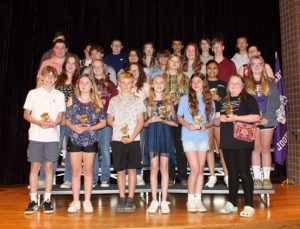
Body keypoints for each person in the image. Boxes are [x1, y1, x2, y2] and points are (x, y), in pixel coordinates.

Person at [216, 75, 260, 217]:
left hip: (242, 141)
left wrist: (236, 118)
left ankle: (249, 205)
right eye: (231, 82)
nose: (234, 84)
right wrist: (219, 119)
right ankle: (232, 203)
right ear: (228, 85)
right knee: (232, 174)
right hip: (228, 141)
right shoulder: (224, 101)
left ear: (242, 85)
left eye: (237, 82)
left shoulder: (248, 99)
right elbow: (216, 121)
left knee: (244, 172)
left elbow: (256, 117)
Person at [23, 66, 65, 214]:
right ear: (41, 77)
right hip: (35, 136)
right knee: (34, 167)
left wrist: (55, 122)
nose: (49, 78)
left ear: (55, 78)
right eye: (46, 76)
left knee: (49, 168)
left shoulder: (59, 95)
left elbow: (60, 116)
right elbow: (26, 114)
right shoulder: (32, 93)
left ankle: (47, 200)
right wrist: (38, 122)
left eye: (52, 76)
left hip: (52, 137)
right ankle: (33, 200)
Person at [38, 54, 80, 189]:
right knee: (53, 149)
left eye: (74, 63)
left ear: (77, 65)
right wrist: (58, 117)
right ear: (65, 64)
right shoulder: (57, 81)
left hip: (73, 121)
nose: (70, 65)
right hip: (58, 120)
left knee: (71, 150)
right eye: (68, 62)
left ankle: (68, 179)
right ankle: (43, 178)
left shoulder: (79, 81)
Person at [65, 74, 106, 213]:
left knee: (88, 172)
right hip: (75, 138)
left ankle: (87, 201)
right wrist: (74, 127)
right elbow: (67, 120)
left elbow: (103, 122)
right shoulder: (72, 100)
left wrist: (90, 128)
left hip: (91, 139)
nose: (83, 85)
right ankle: (76, 201)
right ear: (78, 85)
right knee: (76, 172)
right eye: (81, 82)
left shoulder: (97, 101)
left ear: (91, 85)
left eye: (87, 82)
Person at [107, 72, 146, 213]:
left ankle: (130, 198)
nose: (126, 86)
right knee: (120, 171)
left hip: (133, 139)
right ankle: (122, 197)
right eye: (123, 82)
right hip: (118, 139)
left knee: (132, 170)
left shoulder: (137, 100)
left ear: (133, 84)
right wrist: (117, 125)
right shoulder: (113, 100)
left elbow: (140, 122)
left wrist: (131, 136)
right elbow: (109, 120)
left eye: (129, 83)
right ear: (119, 83)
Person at [177, 73, 215, 213]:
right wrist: (187, 125)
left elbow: (212, 120)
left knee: (200, 170)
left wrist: (206, 125)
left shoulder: (209, 100)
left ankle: (198, 199)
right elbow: (179, 117)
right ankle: (190, 199)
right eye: (193, 82)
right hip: (188, 137)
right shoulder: (185, 98)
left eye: (198, 81)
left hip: (203, 137)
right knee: (195, 169)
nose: (195, 84)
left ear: (204, 83)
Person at [144, 75, 178, 214]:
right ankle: (153, 200)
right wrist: (151, 120)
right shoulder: (147, 102)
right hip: (152, 135)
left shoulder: (168, 102)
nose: (158, 85)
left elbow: (175, 123)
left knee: (164, 169)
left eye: (161, 83)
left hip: (165, 135)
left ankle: (164, 200)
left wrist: (164, 120)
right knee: (153, 168)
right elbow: (143, 123)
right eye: (156, 82)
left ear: (165, 85)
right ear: (152, 84)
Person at [246, 55, 280, 189]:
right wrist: (253, 117)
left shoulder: (271, 82)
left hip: (268, 119)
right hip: (252, 121)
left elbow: (276, 102)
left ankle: (266, 178)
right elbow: (243, 101)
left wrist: (265, 116)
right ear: (250, 67)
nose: (257, 66)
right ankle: (257, 178)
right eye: (254, 64)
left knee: (265, 149)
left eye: (259, 63)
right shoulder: (245, 83)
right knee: (255, 149)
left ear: (263, 65)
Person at [90, 59, 118, 187]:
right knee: (94, 151)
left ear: (103, 68)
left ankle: (105, 178)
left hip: (106, 122)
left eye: (99, 66)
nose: (97, 69)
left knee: (105, 150)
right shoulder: (88, 83)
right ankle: (94, 178)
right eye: (94, 67)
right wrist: (95, 103)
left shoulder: (110, 84)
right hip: (92, 122)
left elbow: (115, 102)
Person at [163, 54, 189, 186]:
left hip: (181, 113)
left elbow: (190, 96)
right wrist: (167, 100)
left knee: (180, 145)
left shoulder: (185, 78)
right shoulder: (161, 77)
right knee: (167, 146)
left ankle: (183, 175)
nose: (174, 63)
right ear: (168, 62)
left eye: (176, 61)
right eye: (171, 60)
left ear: (180, 64)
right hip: (166, 113)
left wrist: (180, 100)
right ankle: (169, 176)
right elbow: (155, 94)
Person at [205, 60, 228, 188]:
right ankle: (212, 176)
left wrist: (219, 99)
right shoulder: (203, 83)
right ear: (206, 69)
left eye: (214, 68)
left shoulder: (223, 84)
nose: (212, 71)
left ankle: (227, 175)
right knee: (209, 147)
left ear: (218, 70)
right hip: (207, 117)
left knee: (221, 146)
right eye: (209, 68)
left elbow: (228, 102)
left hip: (219, 116)